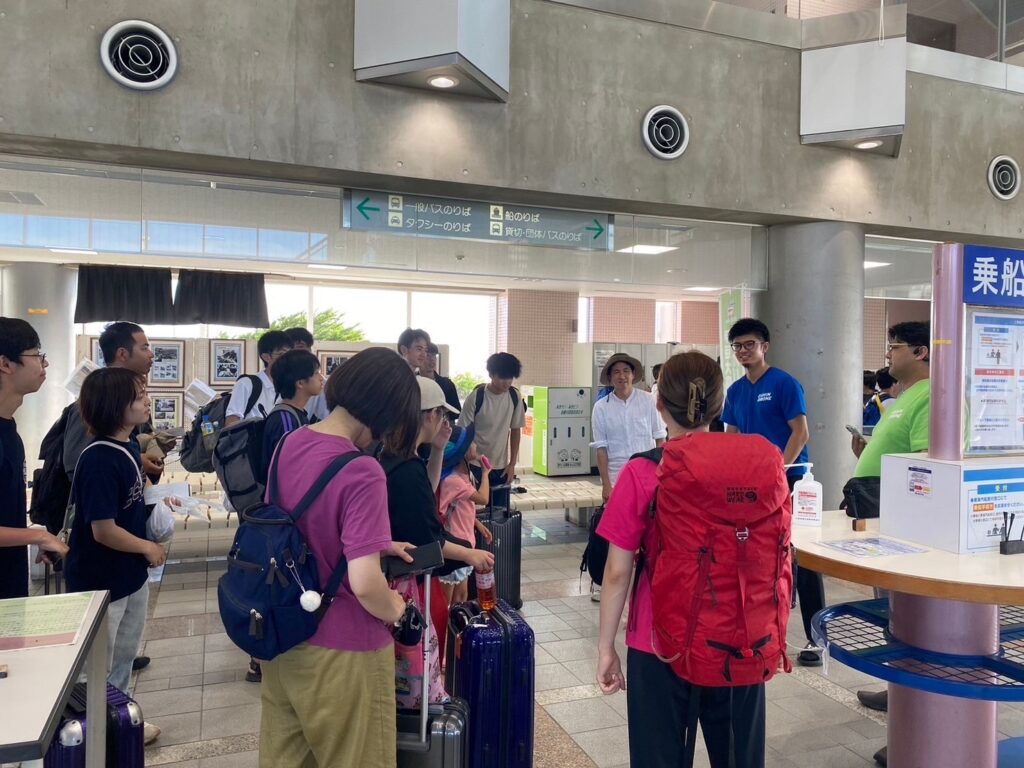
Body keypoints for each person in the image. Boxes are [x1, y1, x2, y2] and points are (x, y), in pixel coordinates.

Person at [595, 351, 770, 768]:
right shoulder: (758, 462)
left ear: (658, 404)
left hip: (658, 644)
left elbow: (618, 573)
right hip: (739, 636)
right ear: (720, 404)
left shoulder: (642, 473)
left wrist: (605, 647)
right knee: (739, 758)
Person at [258, 347, 418, 768]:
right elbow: (365, 584)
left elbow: (299, 526)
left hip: (286, 637)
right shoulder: (362, 469)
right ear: (384, 412)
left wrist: (378, 541)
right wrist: (397, 610)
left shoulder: (290, 442)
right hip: (345, 652)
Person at [64, 367, 166, 745]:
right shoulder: (98, 459)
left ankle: (119, 722)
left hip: (128, 576)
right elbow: (102, 530)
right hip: (101, 579)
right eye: (139, 397)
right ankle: (91, 733)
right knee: (98, 666)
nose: (147, 402)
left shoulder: (126, 447)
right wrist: (147, 547)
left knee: (122, 657)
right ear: (114, 406)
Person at [381, 376, 495, 708]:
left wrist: (440, 449)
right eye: (442, 416)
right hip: (402, 581)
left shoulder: (397, 455)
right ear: (429, 415)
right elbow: (429, 538)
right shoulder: (403, 468)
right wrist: (471, 555)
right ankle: (416, 707)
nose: (444, 423)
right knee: (412, 654)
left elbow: (426, 495)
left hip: (391, 573)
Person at [850, 322, 931, 768]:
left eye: (894, 348)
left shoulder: (933, 396)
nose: (888, 355)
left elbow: (924, 464)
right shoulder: (903, 397)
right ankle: (898, 691)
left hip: (903, 524)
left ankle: (914, 730)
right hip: (882, 515)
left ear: (920, 351)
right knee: (892, 615)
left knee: (908, 617)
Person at [721, 318, 821, 665]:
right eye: (737, 346)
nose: (743, 351)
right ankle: (762, 630)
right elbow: (731, 438)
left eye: (749, 344)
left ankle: (816, 638)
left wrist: (777, 467)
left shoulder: (783, 384)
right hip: (751, 487)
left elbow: (801, 432)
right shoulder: (734, 391)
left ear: (765, 346)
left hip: (790, 479)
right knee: (759, 556)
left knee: (803, 556)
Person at [589, 352, 666, 602]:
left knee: (652, 532)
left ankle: (648, 585)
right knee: (620, 536)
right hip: (618, 478)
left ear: (633, 374)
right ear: (610, 378)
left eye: (626, 371)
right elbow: (601, 450)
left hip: (650, 476)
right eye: (616, 372)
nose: (622, 376)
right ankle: (611, 583)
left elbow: (660, 439)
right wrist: (606, 485)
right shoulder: (601, 407)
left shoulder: (648, 401)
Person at [0, 318, 67, 599]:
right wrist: (38, 536)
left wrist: (31, 535)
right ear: (5, 364)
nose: (44, 364)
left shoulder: (9, 430)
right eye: (37, 355)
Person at [64, 321, 162, 483]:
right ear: (122, 354)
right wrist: (136, 462)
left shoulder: (132, 402)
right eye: (144, 348)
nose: (151, 354)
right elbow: (76, 465)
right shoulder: (98, 401)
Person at [457, 352, 526, 512]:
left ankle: (497, 538)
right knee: (475, 512)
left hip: (501, 467)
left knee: (500, 513)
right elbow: (462, 431)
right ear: (491, 375)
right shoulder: (477, 397)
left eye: (510, 377)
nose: (507, 382)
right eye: (503, 377)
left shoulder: (514, 396)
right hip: (476, 465)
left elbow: (515, 430)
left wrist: (512, 464)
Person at [437, 424, 494, 605]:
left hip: (465, 544)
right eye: (471, 443)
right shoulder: (453, 480)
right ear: (462, 452)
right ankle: (444, 633)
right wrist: (486, 474)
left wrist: (476, 523)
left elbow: (460, 508)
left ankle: (455, 632)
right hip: (455, 547)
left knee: (461, 598)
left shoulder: (462, 475)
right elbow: (483, 498)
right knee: (448, 602)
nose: (475, 445)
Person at [261, 349, 323, 480]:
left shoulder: (295, 414)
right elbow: (289, 470)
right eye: (316, 373)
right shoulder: (285, 419)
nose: (321, 378)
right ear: (300, 383)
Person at [224, 329, 291, 426]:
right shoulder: (246, 383)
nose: (288, 359)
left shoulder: (288, 386)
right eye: (282, 354)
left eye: (290, 354)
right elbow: (231, 422)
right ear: (266, 357)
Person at [285, 326, 329, 422]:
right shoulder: (278, 378)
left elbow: (325, 417)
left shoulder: (322, 385)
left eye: (306, 348)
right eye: (298, 348)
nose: (306, 354)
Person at [424, 342, 461, 414]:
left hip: (443, 422)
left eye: (434, 355)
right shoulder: (413, 383)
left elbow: (457, 411)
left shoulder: (447, 384)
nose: (432, 359)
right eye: (428, 355)